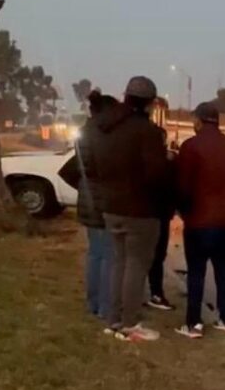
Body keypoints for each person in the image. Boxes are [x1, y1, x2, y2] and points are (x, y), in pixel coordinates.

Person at [84, 76, 169, 342]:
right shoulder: (147, 132)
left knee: (118, 263)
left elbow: (91, 165)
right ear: (150, 103)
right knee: (136, 265)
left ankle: (114, 319)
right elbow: (157, 175)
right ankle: (130, 323)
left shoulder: (104, 126)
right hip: (140, 210)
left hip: (111, 207)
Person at [175, 102, 225, 339]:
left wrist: (184, 211)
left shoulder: (190, 147)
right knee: (224, 270)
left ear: (198, 120)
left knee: (196, 272)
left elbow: (183, 186)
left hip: (198, 221)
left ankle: (193, 323)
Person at [59, 90, 117, 321]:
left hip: (88, 201)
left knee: (94, 253)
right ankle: (105, 307)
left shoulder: (84, 133)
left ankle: (93, 303)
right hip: (105, 201)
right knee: (108, 255)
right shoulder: (106, 135)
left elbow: (79, 168)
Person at [146, 134, 178, 311]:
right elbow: (175, 188)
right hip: (161, 215)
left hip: (142, 214)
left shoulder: (139, 159)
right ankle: (156, 292)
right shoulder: (169, 162)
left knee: (138, 257)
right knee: (157, 256)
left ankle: (136, 294)